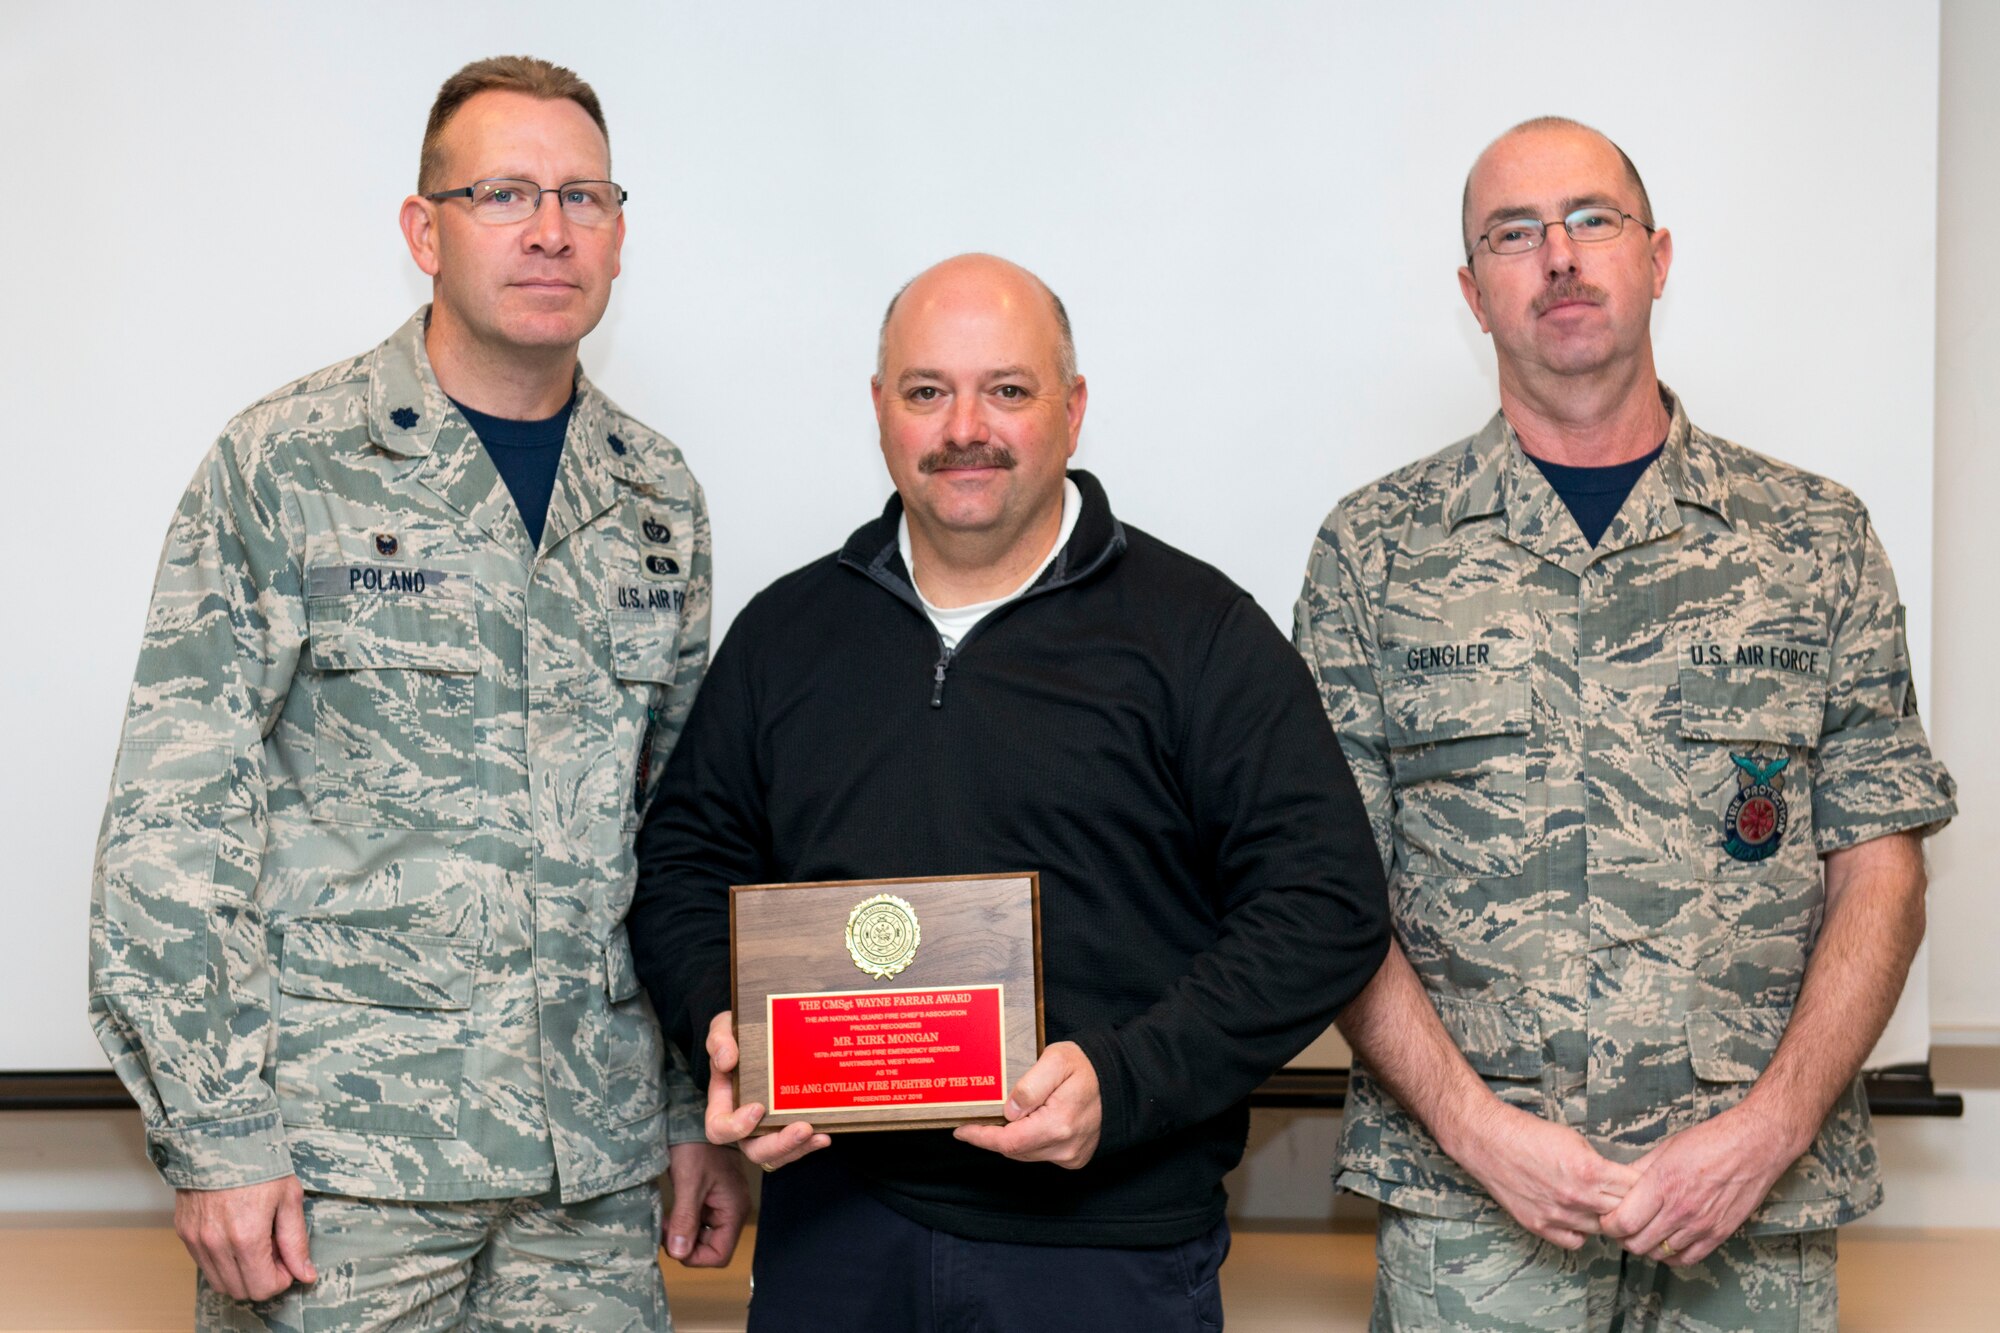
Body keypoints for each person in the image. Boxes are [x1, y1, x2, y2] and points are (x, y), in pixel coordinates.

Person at [87, 55, 747, 1329]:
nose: (550, 230)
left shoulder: (655, 497)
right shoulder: (287, 464)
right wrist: (216, 1135)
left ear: (618, 235)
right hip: (345, 1175)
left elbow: (676, 837)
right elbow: (176, 825)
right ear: (423, 230)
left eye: (584, 197)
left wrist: (686, 1112)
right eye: (503, 194)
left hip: (590, 1179)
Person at [627, 252, 1390, 1332]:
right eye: (927, 391)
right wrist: (727, 1023)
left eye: (1008, 390)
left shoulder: (1198, 632)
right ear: (881, 411)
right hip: (835, 1236)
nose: (964, 427)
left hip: (1105, 1255)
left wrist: (1122, 1084)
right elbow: (681, 869)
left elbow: (1324, 904)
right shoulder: (786, 636)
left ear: (1072, 412)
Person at [1294, 116, 1958, 1331]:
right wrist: (1474, 1133)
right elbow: (1329, 889)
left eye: (1591, 219)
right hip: (1471, 1218)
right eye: (1513, 233)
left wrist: (1768, 1132)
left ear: (1655, 256)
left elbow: (1880, 873)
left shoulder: (1810, 541)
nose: (1557, 256)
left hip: (1747, 1212)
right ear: (1471, 291)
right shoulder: (1373, 554)